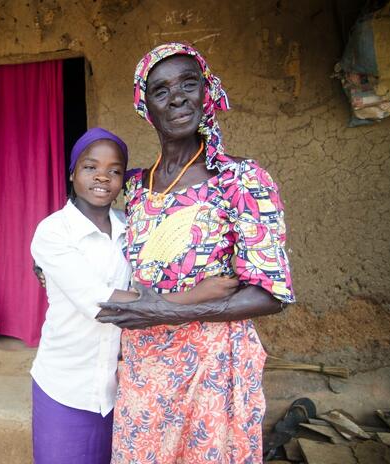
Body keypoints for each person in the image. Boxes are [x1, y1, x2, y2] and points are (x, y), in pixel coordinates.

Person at [96, 43, 295, 463]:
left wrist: (168, 311)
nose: (178, 97)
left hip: (213, 368)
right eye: (161, 90)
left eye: (189, 83)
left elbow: (269, 294)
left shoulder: (242, 181)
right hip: (144, 367)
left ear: (208, 92)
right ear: (144, 106)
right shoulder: (133, 188)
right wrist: (47, 262)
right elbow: (91, 235)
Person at [30, 127, 239, 464]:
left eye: (114, 170)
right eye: (90, 167)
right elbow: (102, 305)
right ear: (72, 173)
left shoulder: (134, 226)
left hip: (126, 390)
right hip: (66, 387)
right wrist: (198, 296)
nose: (102, 177)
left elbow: (166, 271)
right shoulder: (53, 231)